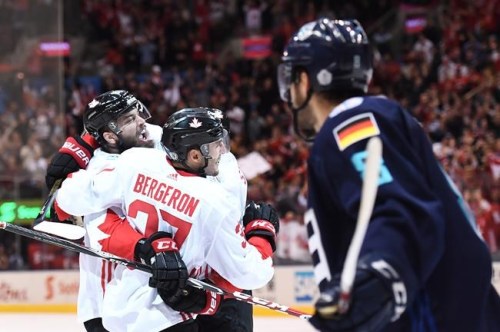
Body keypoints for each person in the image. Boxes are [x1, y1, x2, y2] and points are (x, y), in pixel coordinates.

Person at [277, 18, 500, 331]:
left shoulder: (351, 120)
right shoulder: (381, 119)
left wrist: (382, 274)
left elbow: (399, 209)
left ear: (303, 80)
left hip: (429, 319)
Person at [53, 107, 279, 331]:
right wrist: (262, 232)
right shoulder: (215, 200)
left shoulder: (136, 162)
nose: (222, 149)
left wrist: (81, 147)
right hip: (175, 311)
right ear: (194, 155)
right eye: (216, 143)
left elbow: (68, 198)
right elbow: (250, 273)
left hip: (122, 308)